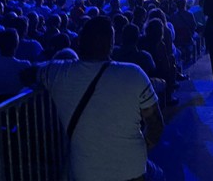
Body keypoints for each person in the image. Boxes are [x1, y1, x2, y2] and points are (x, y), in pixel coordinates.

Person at [29, 17, 164, 181]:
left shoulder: (58, 73)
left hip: (85, 172)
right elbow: (156, 125)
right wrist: (142, 149)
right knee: (158, 175)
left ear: (79, 42)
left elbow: (28, 73)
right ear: (111, 44)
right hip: (131, 169)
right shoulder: (133, 74)